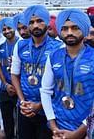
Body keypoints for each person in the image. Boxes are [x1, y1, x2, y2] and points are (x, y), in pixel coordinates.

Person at [40, 8, 94, 139]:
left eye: (75, 28)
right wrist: (53, 125)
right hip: (57, 129)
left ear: (84, 29)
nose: (69, 32)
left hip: (86, 130)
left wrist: (77, 133)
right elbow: (45, 91)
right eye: (64, 28)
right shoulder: (53, 56)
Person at [11, 5, 62, 139]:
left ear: (46, 22)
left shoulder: (58, 48)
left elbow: (60, 83)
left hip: (48, 112)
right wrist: (22, 101)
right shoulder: (20, 45)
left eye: (40, 21)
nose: (36, 25)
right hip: (24, 107)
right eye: (31, 22)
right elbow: (15, 75)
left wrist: (40, 105)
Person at [0, 17, 19, 138]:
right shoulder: (1, 46)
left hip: (19, 90)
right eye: (3, 29)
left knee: (20, 122)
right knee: (7, 120)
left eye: (9, 28)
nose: (6, 31)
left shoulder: (22, 44)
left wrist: (16, 86)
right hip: (5, 89)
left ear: (14, 28)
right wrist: (5, 84)